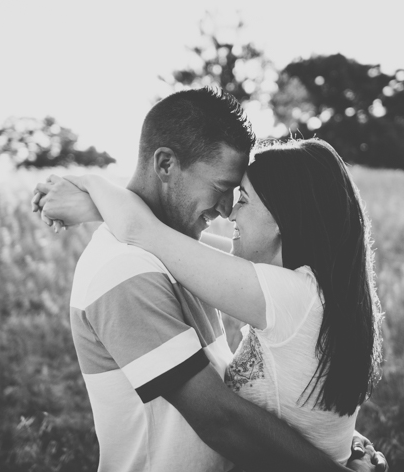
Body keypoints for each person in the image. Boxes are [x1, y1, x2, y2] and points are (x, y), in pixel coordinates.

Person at [33, 88, 386, 471]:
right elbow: (220, 419)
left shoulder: (185, 253)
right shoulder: (125, 271)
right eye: (221, 189)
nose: (225, 211)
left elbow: (146, 229)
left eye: (240, 197)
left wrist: (93, 194)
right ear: (165, 165)